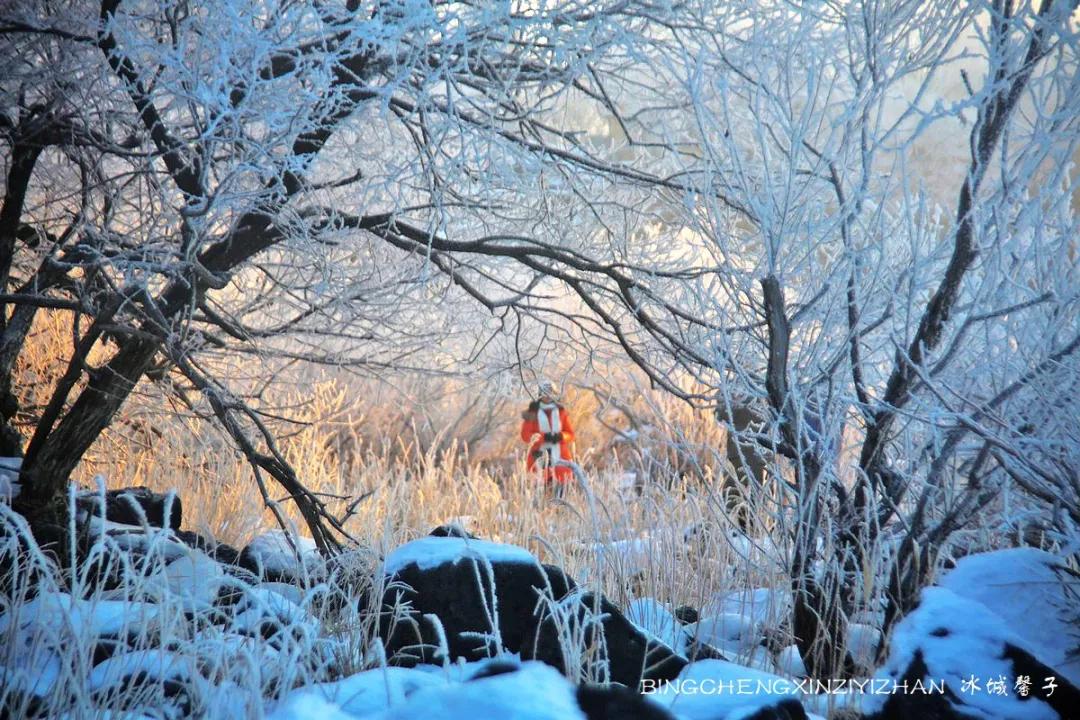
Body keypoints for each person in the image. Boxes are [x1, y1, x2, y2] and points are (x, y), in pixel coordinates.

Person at [520, 380, 575, 490]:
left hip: (561, 460)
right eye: (545, 394)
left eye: (550, 393)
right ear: (540, 395)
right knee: (539, 497)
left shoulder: (561, 411)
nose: (548, 396)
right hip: (538, 458)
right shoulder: (532, 412)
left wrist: (560, 436)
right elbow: (525, 435)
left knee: (562, 495)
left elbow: (570, 434)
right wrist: (543, 437)